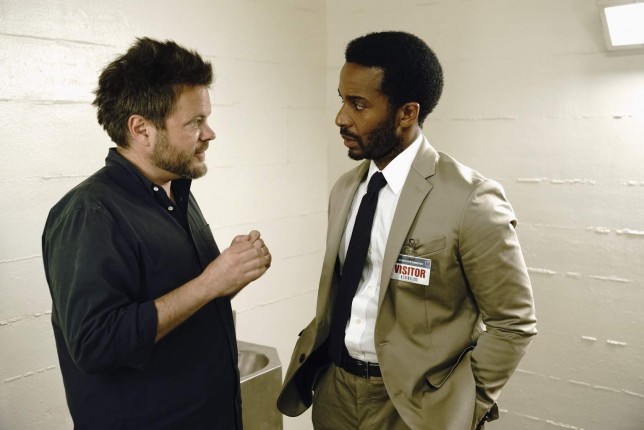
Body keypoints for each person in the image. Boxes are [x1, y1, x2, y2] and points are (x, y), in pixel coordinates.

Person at [277, 31, 537, 430]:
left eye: (358, 104)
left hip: (415, 410)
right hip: (335, 394)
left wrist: (463, 405)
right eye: (342, 99)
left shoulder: (470, 200)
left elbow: (513, 322)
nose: (341, 117)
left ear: (406, 113)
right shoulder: (346, 188)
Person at [42, 37, 272, 430]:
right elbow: (96, 344)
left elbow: (178, 301)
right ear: (141, 129)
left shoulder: (175, 191)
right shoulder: (90, 214)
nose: (209, 133)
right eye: (195, 122)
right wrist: (210, 283)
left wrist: (228, 278)